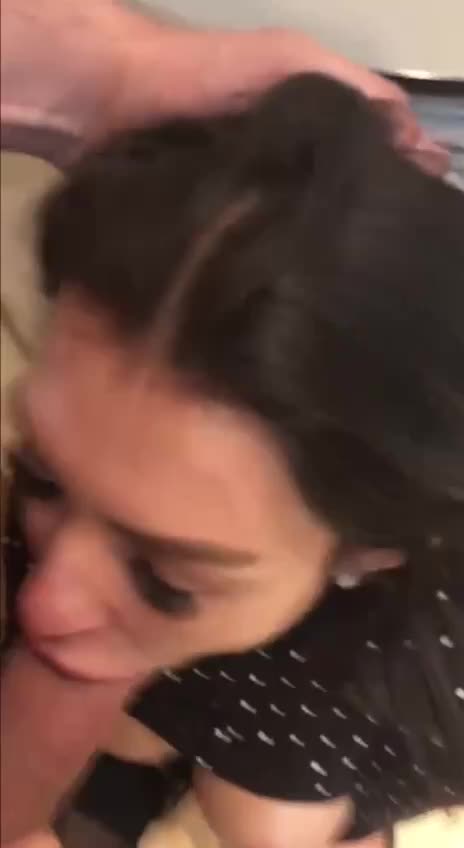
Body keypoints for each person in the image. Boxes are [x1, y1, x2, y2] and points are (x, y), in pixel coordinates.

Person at [0, 2, 451, 845]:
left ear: (367, 548)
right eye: (41, 474)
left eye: (165, 576)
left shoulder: (325, 731)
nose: (40, 603)